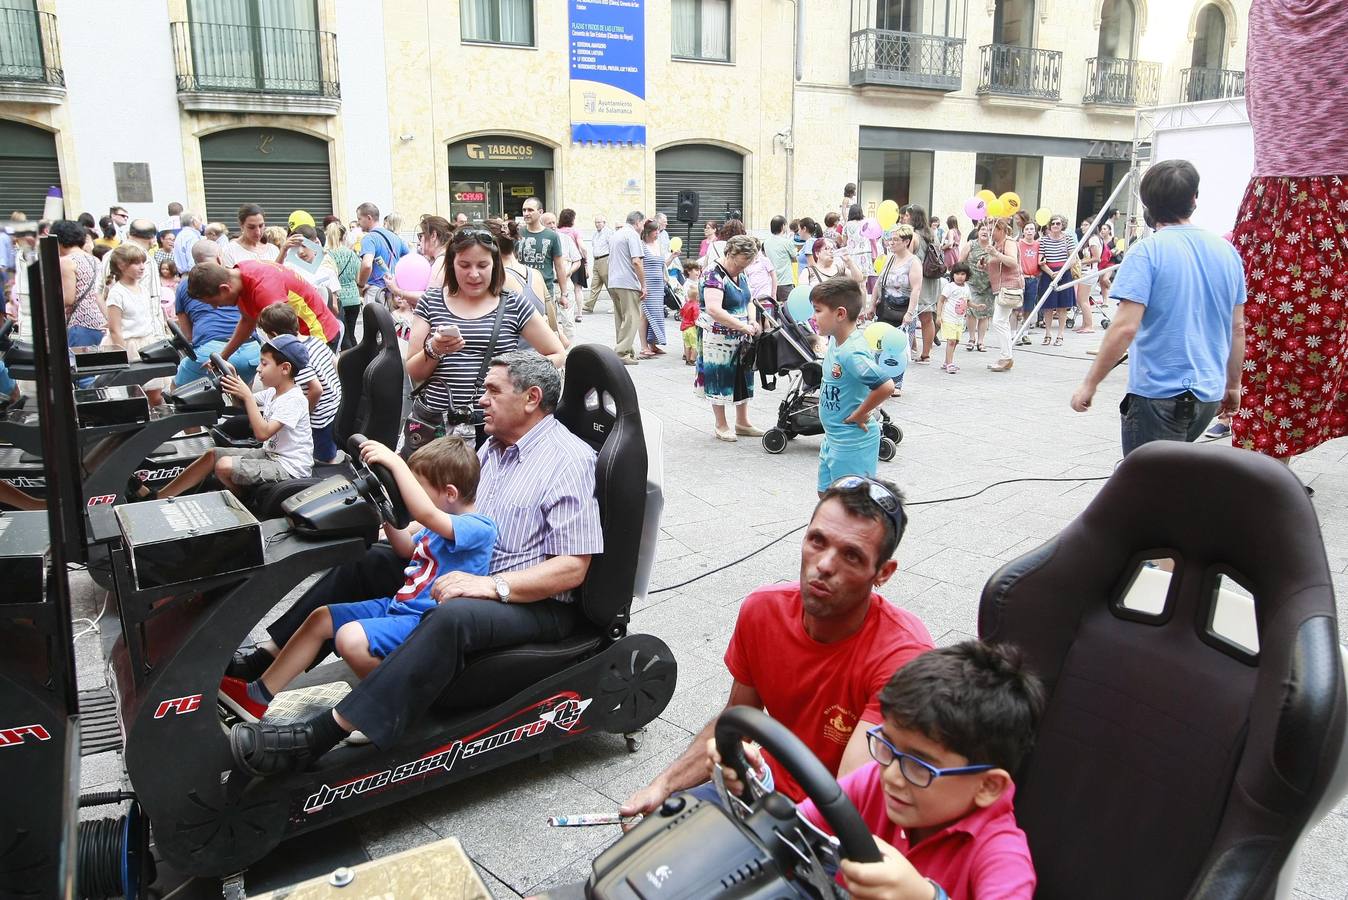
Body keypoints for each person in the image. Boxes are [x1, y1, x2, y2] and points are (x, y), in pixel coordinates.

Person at [226, 351, 604, 773]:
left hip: (534, 601)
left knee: (453, 615)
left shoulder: (568, 460)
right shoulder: (495, 447)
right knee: (369, 561)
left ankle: (324, 733)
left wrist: (493, 587)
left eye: (493, 391)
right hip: (473, 570)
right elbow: (448, 515)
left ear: (532, 398)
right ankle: (264, 663)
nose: (482, 400)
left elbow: (573, 567)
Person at [621, 476, 934, 817]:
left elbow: (850, 799)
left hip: (833, 826)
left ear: (883, 573)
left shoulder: (904, 656)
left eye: (852, 556)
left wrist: (761, 790)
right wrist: (663, 786)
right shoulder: (762, 611)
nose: (825, 565)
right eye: (817, 540)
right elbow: (739, 719)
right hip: (760, 787)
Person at [720, 641, 1045, 900]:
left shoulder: (1001, 856)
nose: (890, 775)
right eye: (887, 746)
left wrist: (926, 898)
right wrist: (753, 779)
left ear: (988, 786)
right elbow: (798, 829)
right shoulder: (878, 781)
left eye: (919, 764)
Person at [218, 435, 496, 722]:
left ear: (450, 493)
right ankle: (256, 696)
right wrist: (385, 502)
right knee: (321, 618)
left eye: (417, 490)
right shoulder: (438, 523)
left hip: (424, 621)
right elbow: (404, 547)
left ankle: (387, 709)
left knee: (351, 641)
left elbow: (425, 513)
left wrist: (395, 464)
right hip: (399, 607)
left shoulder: (479, 527)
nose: (410, 498)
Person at [1232, 2, 1346, 465]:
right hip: (1313, 205)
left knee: (1271, 355)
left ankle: (1261, 479)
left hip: (1276, 209)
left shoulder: (1264, 9)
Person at [1070, 160, 1246, 456]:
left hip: (1157, 395)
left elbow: (1125, 327)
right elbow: (1237, 327)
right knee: (1171, 481)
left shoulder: (1146, 252)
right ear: (1194, 199)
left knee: (1148, 488)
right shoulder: (1227, 251)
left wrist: (1090, 384)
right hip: (1207, 393)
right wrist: (1233, 385)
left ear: (1148, 204)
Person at [407, 227, 563, 428]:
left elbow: (557, 353)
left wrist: (514, 375)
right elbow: (414, 371)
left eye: (482, 265)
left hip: (495, 426)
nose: (474, 274)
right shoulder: (431, 302)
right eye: (464, 265)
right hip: (438, 427)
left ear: (495, 265)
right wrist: (434, 349)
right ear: (452, 264)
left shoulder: (514, 304)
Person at [141, 335, 312, 500]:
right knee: (212, 455)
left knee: (223, 466)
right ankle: (158, 496)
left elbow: (262, 433)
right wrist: (232, 376)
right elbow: (240, 404)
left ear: (285, 368)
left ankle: (244, 497)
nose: (258, 368)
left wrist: (247, 396)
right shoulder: (273, 393)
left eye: (264, 363)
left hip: (289, 468)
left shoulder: (294, 399)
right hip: (269, 455)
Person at [813, 278, 895, 493]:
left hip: (852, 442)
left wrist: (860, 413)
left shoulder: (851, 352)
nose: (814, 317)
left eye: (818, 311)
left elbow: (886, 386)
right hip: (834, 438)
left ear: (840, 314)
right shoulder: (835, 341)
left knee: (850, 506)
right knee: (826, 494)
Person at [257, 303, 342, 465]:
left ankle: (326, 481)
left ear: (274, 335)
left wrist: (303, 412)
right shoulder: (315, 341)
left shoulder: (295, 356)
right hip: (335, 407)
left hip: (319, 417)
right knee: (328, 451)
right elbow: (336, 364)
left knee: (323, 459)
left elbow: (316, 389)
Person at [700, 234, 763, 441]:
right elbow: (714, 309)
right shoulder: (713, 274)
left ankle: (742, 422)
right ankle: (721, 424)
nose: (742, 268)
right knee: (720, 378)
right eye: (740, 263)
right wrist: (742, 326)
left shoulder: (742, 274)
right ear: (730, 254)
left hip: (742, 336)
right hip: (718, 337)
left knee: (743, 377)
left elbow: (750, 300)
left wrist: (752, 321)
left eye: (747, 264)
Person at [173, 239, 260, 388]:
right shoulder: (239, 279)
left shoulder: (185, 287)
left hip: (208, 351)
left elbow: (188, 337)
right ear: (220, 258)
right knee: (242, 394)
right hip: (251, 352)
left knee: (177, 390)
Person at [104, 244, 170, 405]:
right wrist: (122, 357)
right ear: (121, 266)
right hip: (129, 346)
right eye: (136, 263)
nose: (142, 267)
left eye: (143, 263)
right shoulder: (117, 293)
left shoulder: (142, 289)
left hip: (148, 345)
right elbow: (114, 329)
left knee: (156, 395)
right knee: (135, 396)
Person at [518, 199, 569, 338]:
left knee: (546, 331)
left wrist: (564, 294)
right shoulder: (518, 234)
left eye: (530, 210)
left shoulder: (551, 236)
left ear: (540, 212)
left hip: (544, 291)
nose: (526, 213)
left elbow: (559, 266)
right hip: (521, 289)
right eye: (524, 210)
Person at [51, 219, 105, 352]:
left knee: (81, 369)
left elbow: (69, 298)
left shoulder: (65, 261)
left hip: (81, 323)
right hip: (100, 321)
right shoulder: (94, 259)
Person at [985, 218, 1024, 373]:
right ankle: (1005, 356)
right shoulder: (997, 244)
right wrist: (984, 266)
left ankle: (1006, 357)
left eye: (991, 230)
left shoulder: (1009, 242)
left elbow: (1013, 262)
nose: (989, 233)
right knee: (1002, 322)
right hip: (1001, 288)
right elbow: (998, 266)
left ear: (1000, 229)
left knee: (999, 322)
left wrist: (995, 253)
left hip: (1009, 287)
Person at [607, 210, 646, 365]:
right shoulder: (632, 235)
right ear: (637, 222)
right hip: (627, 281)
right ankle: (622, 352)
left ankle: (626, 350)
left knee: (620, 318)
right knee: (632, 317)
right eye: (642, 223)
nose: (643, 227)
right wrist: (644, 285)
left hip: (614, 281)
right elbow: (636, 261)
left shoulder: (617, 234)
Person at [354, 201, 408, 309]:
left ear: (369, 218)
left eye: (359, 219)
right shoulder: (395, 237)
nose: (358, 223)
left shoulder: (369, 238)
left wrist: (361, 285)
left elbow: (367, 265)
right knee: (392, 325)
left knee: (373, 325)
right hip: (393, 291)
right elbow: (407, 260)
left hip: (376, 292)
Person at [99, 218, 162, 309]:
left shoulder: (109, 255)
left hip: (113, 314)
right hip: (138, 318)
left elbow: (99, 292)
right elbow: (150, 297)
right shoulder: (145, 260)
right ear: (152, 239)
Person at [1036, 215, 1075, 346]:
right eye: (1053, 223)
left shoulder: (1068, 238)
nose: (1055, 225)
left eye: (1058, 223)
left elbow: (1073, 259)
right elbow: (1040, 260)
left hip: (1064, 273)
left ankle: (1060, 335)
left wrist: (1061, 272)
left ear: (1062, 225)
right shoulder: (1043, 240)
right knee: (1048, 306)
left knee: (1062, 307)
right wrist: (1051, 273)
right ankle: (1047, 334)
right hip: (1049, 273)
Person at [539, 211, 576, 346]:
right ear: (542, 224)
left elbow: (577, 260)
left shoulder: (566, 239)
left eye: (554, 222)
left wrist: (568, 272)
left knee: (568, 320)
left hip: (564, 285)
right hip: (547, 286)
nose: (553, 226)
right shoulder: (541, 240)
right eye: (549, 223)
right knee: (549, 321)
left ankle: (570, 353)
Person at [324, 221, 361, 349]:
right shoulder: (352, 254)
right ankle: (358, 359)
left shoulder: (327, 255)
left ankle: (348, 364)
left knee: (344, 336)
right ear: (344, 236)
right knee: (351, 333)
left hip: (339, 299)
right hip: (354, 298)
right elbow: (358, 277)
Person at [638, 219, 667, 358]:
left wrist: (672, 257)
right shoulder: (641, 246)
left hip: (659, 285)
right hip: (648, 284)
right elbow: (639, 266)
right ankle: (644, 346)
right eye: (656, 231)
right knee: (645, 314)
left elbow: (662, 264)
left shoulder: (658, 245)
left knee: (657, 313)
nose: (658, 233)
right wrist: (642, 285)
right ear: (648, 232)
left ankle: (653, 344)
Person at [937, 264, 971, 374]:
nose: (960, 276)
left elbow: (968, 302)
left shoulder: (966, 287)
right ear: (953, 275)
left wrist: (977, 306)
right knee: (951, 341)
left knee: (956, 341)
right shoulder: (949, 286)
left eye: (962, 274)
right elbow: (941, 300)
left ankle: (947, 361)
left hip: (959, 320)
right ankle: (950, 363)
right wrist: (938, 315)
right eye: (957, 274)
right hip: (948, 318)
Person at [556, 208, 588, 321]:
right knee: (577, 289)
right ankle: (579, 314)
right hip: (575, 261)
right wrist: (586, 260)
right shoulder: (575, 231)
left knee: (563, 289)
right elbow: (583, 247)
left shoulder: (557, 232)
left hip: (562, 263)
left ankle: (562, 314)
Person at [1016, 222, 1042, 346]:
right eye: (1027, 229)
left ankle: (1025, 333)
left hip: (1033, 279)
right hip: (1020, 278)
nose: (1029, 231)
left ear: (1035, 231)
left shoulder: (1038, 245)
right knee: (1016, 308)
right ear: (1023, 231)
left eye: (1032, 229)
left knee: (1028, 308)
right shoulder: (1018, 244)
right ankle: (1013, 333)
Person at [584, 213, 614, 315]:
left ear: (604, 223)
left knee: (609, 284)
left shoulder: (608, 233)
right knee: (594, 284)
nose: (597, 224)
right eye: (596, 222)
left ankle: (616, 305)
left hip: (605, 259)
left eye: (599, 222)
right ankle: (589, 305)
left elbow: (612, 247)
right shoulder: (596, 234)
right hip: (596, 260)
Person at [764, 215, 797, 305]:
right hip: (785, 282)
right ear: (783, 226)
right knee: (787, 309)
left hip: (770, 281)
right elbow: (795, 258)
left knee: (773, 309)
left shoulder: (766, 242)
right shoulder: (787, 242)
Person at [679, 261, 702, 366]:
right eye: (696, 270)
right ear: (688, 271)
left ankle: (686, 355)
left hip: (685, 322)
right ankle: (691, 359)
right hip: (692, 319)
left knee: (687, 340)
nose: (698, 272)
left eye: (699, 270)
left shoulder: (698, 281)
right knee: (693, 342)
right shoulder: (688, 284)